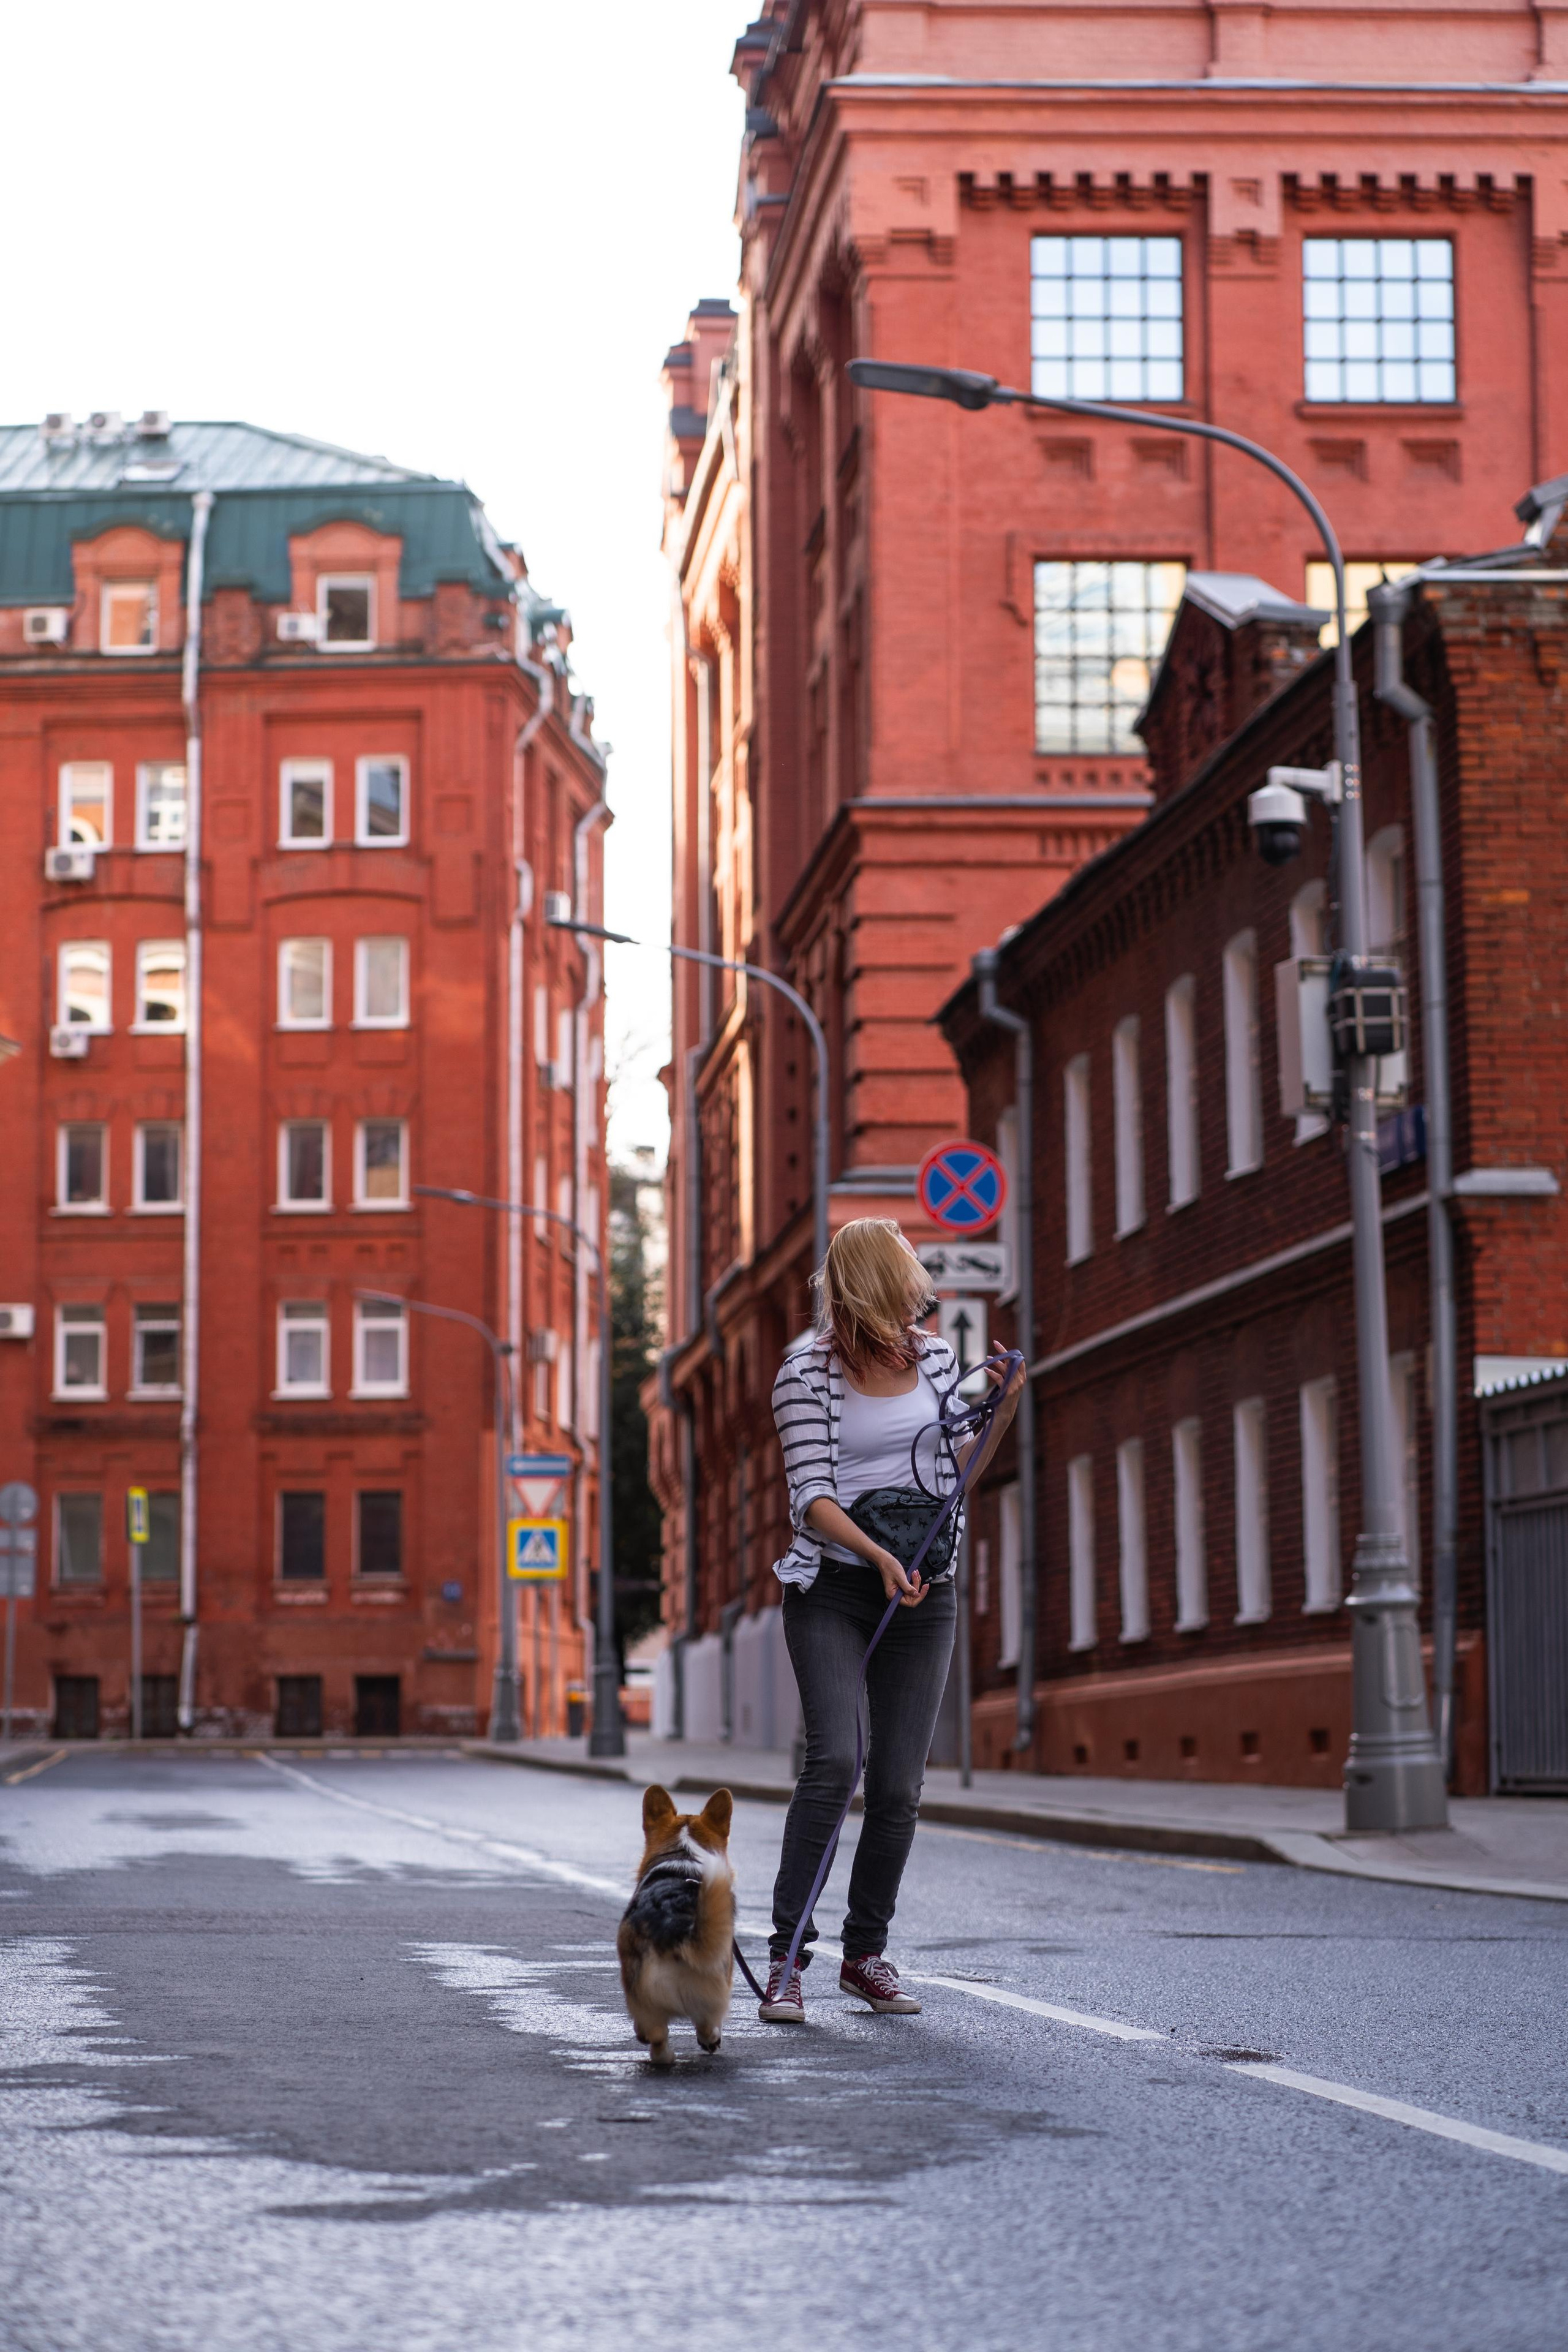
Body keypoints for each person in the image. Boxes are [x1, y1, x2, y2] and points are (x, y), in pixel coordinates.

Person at [759, 1216, 1022, 2022]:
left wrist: (1003, 1409)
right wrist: (877, 1557)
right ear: (874, 1286)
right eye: (905, 1278)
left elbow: (955, 1475)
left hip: (923, 1590)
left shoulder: (936, 1360)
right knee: (837, 1760)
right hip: (833, 1591)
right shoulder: (803, 1371)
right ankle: (785, 1961)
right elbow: (811, 1498)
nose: (919, 1294)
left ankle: (865, 1954)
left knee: (901, 1784)